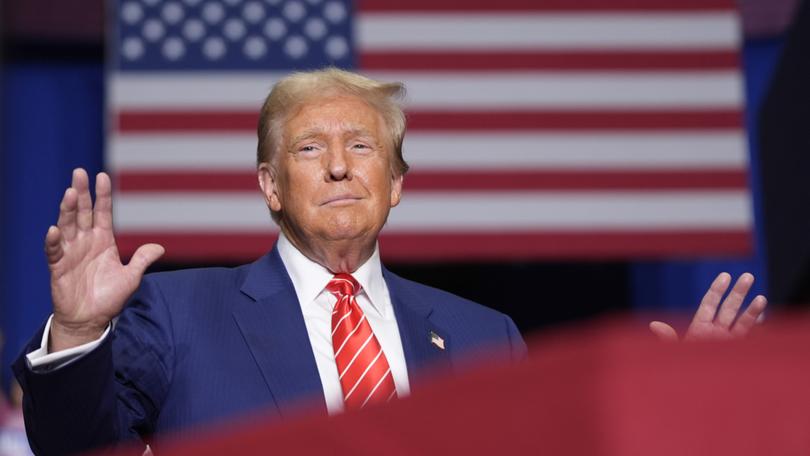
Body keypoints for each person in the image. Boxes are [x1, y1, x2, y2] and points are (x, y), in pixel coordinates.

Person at [12, 68, 767, 454]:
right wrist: (78, 334)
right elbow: (78, 449)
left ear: (396, 185)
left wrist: (678, 413)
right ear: (270, 187)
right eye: (311, 150)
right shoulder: (178, 315)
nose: (340, 168)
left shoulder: (486, 337)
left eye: (363, 147)